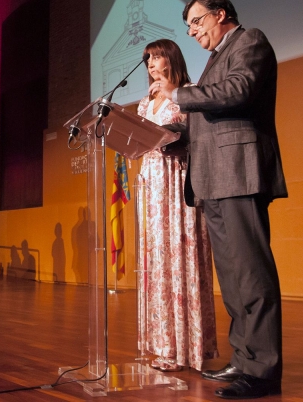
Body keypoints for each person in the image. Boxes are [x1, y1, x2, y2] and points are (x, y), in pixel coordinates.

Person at [150, 0, 287, 399]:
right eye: (188, 26)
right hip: (211, 179)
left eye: (196, 22)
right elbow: (207, 122)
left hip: (240, 174)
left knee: (252, 273)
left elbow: (238, 91)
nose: (191, 32)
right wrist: (167, 137)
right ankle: (243, 357)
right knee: (231, 278)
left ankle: (262, 370)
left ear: (220, 13)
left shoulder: (251, 41)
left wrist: (176, 94)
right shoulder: (212, 60)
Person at [137, 39, 217, 373]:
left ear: (171, 58)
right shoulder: (144, 102)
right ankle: (161, 343)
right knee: (157, 260)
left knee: (181, 255)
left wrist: (177, 137)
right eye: (147, 59)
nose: (151, 64)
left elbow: (201, 134)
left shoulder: (190, 91)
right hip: (151, 181)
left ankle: (189, 347)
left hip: (178, 179)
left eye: (156, 57)